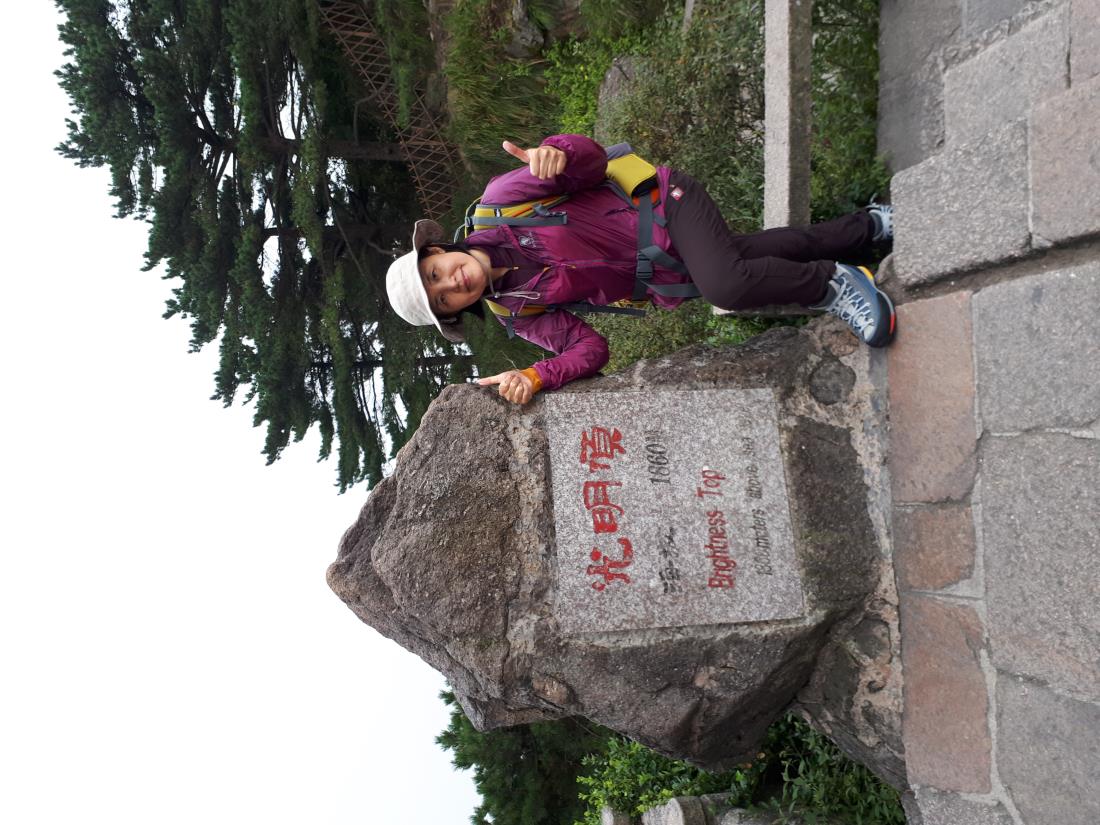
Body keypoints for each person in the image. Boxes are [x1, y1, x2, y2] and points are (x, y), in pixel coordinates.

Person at [386, 134, 895, 405]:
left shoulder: (500, 203)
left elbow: (591, 164)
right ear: (456, 311)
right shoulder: (519, 314)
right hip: (666, 271)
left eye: (435, 273)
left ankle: (835, 285)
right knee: (757, 257)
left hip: (661, 204)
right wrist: (538, 374)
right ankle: (870, 227)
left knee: (727, 284)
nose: (451, 282)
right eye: (443, 299)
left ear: (437, 250)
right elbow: (591, 350)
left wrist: (557, 154)